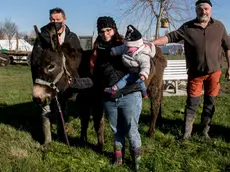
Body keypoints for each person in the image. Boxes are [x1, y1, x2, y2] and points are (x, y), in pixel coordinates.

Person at [153, 0, 230, 140]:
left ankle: (205, 132)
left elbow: (228, 47)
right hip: (196, 73)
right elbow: (170, 37)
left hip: (214, 73)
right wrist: (152, 43)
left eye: (206, 9)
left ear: (210, 10)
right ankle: (186, 133)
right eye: (200, 9)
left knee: (210, 102)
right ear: (196, 11)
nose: (203, 12)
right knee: (192, 103)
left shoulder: (219, 27)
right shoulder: (187, 27)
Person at [30, 7, 93, 144]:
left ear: (64, 20)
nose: (55, 22)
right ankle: (47, 139)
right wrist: (38, 81)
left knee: (62, 105)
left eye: (58, 19)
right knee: (46, 106)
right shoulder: (43, 37)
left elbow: (78, 58)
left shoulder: (72, 37)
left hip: (64, 79)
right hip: (47, 78)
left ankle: (61, 131)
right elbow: (35, 61)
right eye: (52, 19)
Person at [90, 16, 143, 170]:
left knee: (131, 130)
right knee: (116, 130)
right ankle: (118, 158)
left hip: (130, 94)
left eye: (108, 30)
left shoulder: (125, 46)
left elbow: (140, 63)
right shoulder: (97, 52)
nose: (105, 33)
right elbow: (95, 78)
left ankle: (136, 162)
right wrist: (72, 82)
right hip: (109, 98)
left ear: (114, 30)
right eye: (102, 31)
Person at [104, 25, 156, 98]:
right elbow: (121, 49)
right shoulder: (127, 48)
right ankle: (145, 93)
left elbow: (146, 65)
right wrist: (113, 51)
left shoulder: (142, 54)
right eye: (127, 46)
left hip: (136, 72)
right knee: (141, 83)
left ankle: (114, 89)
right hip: (132, 70)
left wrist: (143, 74)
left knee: (125, 79)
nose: (127, 48)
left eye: (130, 47)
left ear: (137, 46)